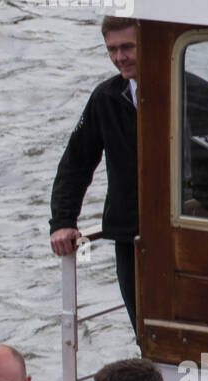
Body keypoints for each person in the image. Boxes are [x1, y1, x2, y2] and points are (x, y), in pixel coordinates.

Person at [49, 15, 140, 332]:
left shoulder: (194, 92)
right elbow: (76, 162)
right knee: (144, 332)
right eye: (112, 49)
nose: (119, 58)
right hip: (130, 237)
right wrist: (62, 221)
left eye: (127, 47)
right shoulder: (105, 99)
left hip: (189, 233)